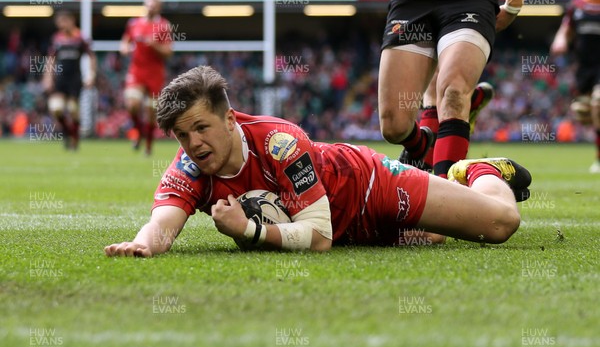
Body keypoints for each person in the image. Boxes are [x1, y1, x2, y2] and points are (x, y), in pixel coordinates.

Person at [104, 66, 532, 256]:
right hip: (349, 233)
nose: (192, 143)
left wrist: (249, 230)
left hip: (369, 187)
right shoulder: (190, 168)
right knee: (434, 240)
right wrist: (143, 244)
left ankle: (478, 171)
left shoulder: (279, 143)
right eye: (181, 134)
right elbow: (162, 223)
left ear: (230, 119)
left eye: (201, 128)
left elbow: (319, 237)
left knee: (498, 226)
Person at [378, 0, 524, 178]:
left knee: (454, 92)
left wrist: (515, 0)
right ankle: (421, 146)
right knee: (394, 127)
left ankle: (448, 194)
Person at [551, 0, 600, 173]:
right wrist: (560, 41)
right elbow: (566, 29)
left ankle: (598, 158)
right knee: (586, 113)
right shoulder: (576, 5)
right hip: (584, 68)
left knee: (598, 103)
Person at [120, 0, 173, 155]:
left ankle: (148, 146)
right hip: (136, 71)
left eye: (154, 5)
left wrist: (155, 45)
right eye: (148, 4)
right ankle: (137, 133)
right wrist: (125, 48)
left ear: (158, 8)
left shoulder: (164, 26)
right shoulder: (134, 23)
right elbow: (125, 42)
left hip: (155, 73)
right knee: (132, 105)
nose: (150, 7)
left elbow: (168, 52)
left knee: (151, 113)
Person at [42, 10, 96, 150]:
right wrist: (48, 77)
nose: (61, 26)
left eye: (63, 22)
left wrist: (91, 75)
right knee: (56, 109)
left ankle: (75, 138)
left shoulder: (80, 38)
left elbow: (91, 57)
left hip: (75, 79)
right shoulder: (57, 39)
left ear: (71, 21)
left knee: (72, 110)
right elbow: (51, 59)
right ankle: (68, 133)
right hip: (60, 79)